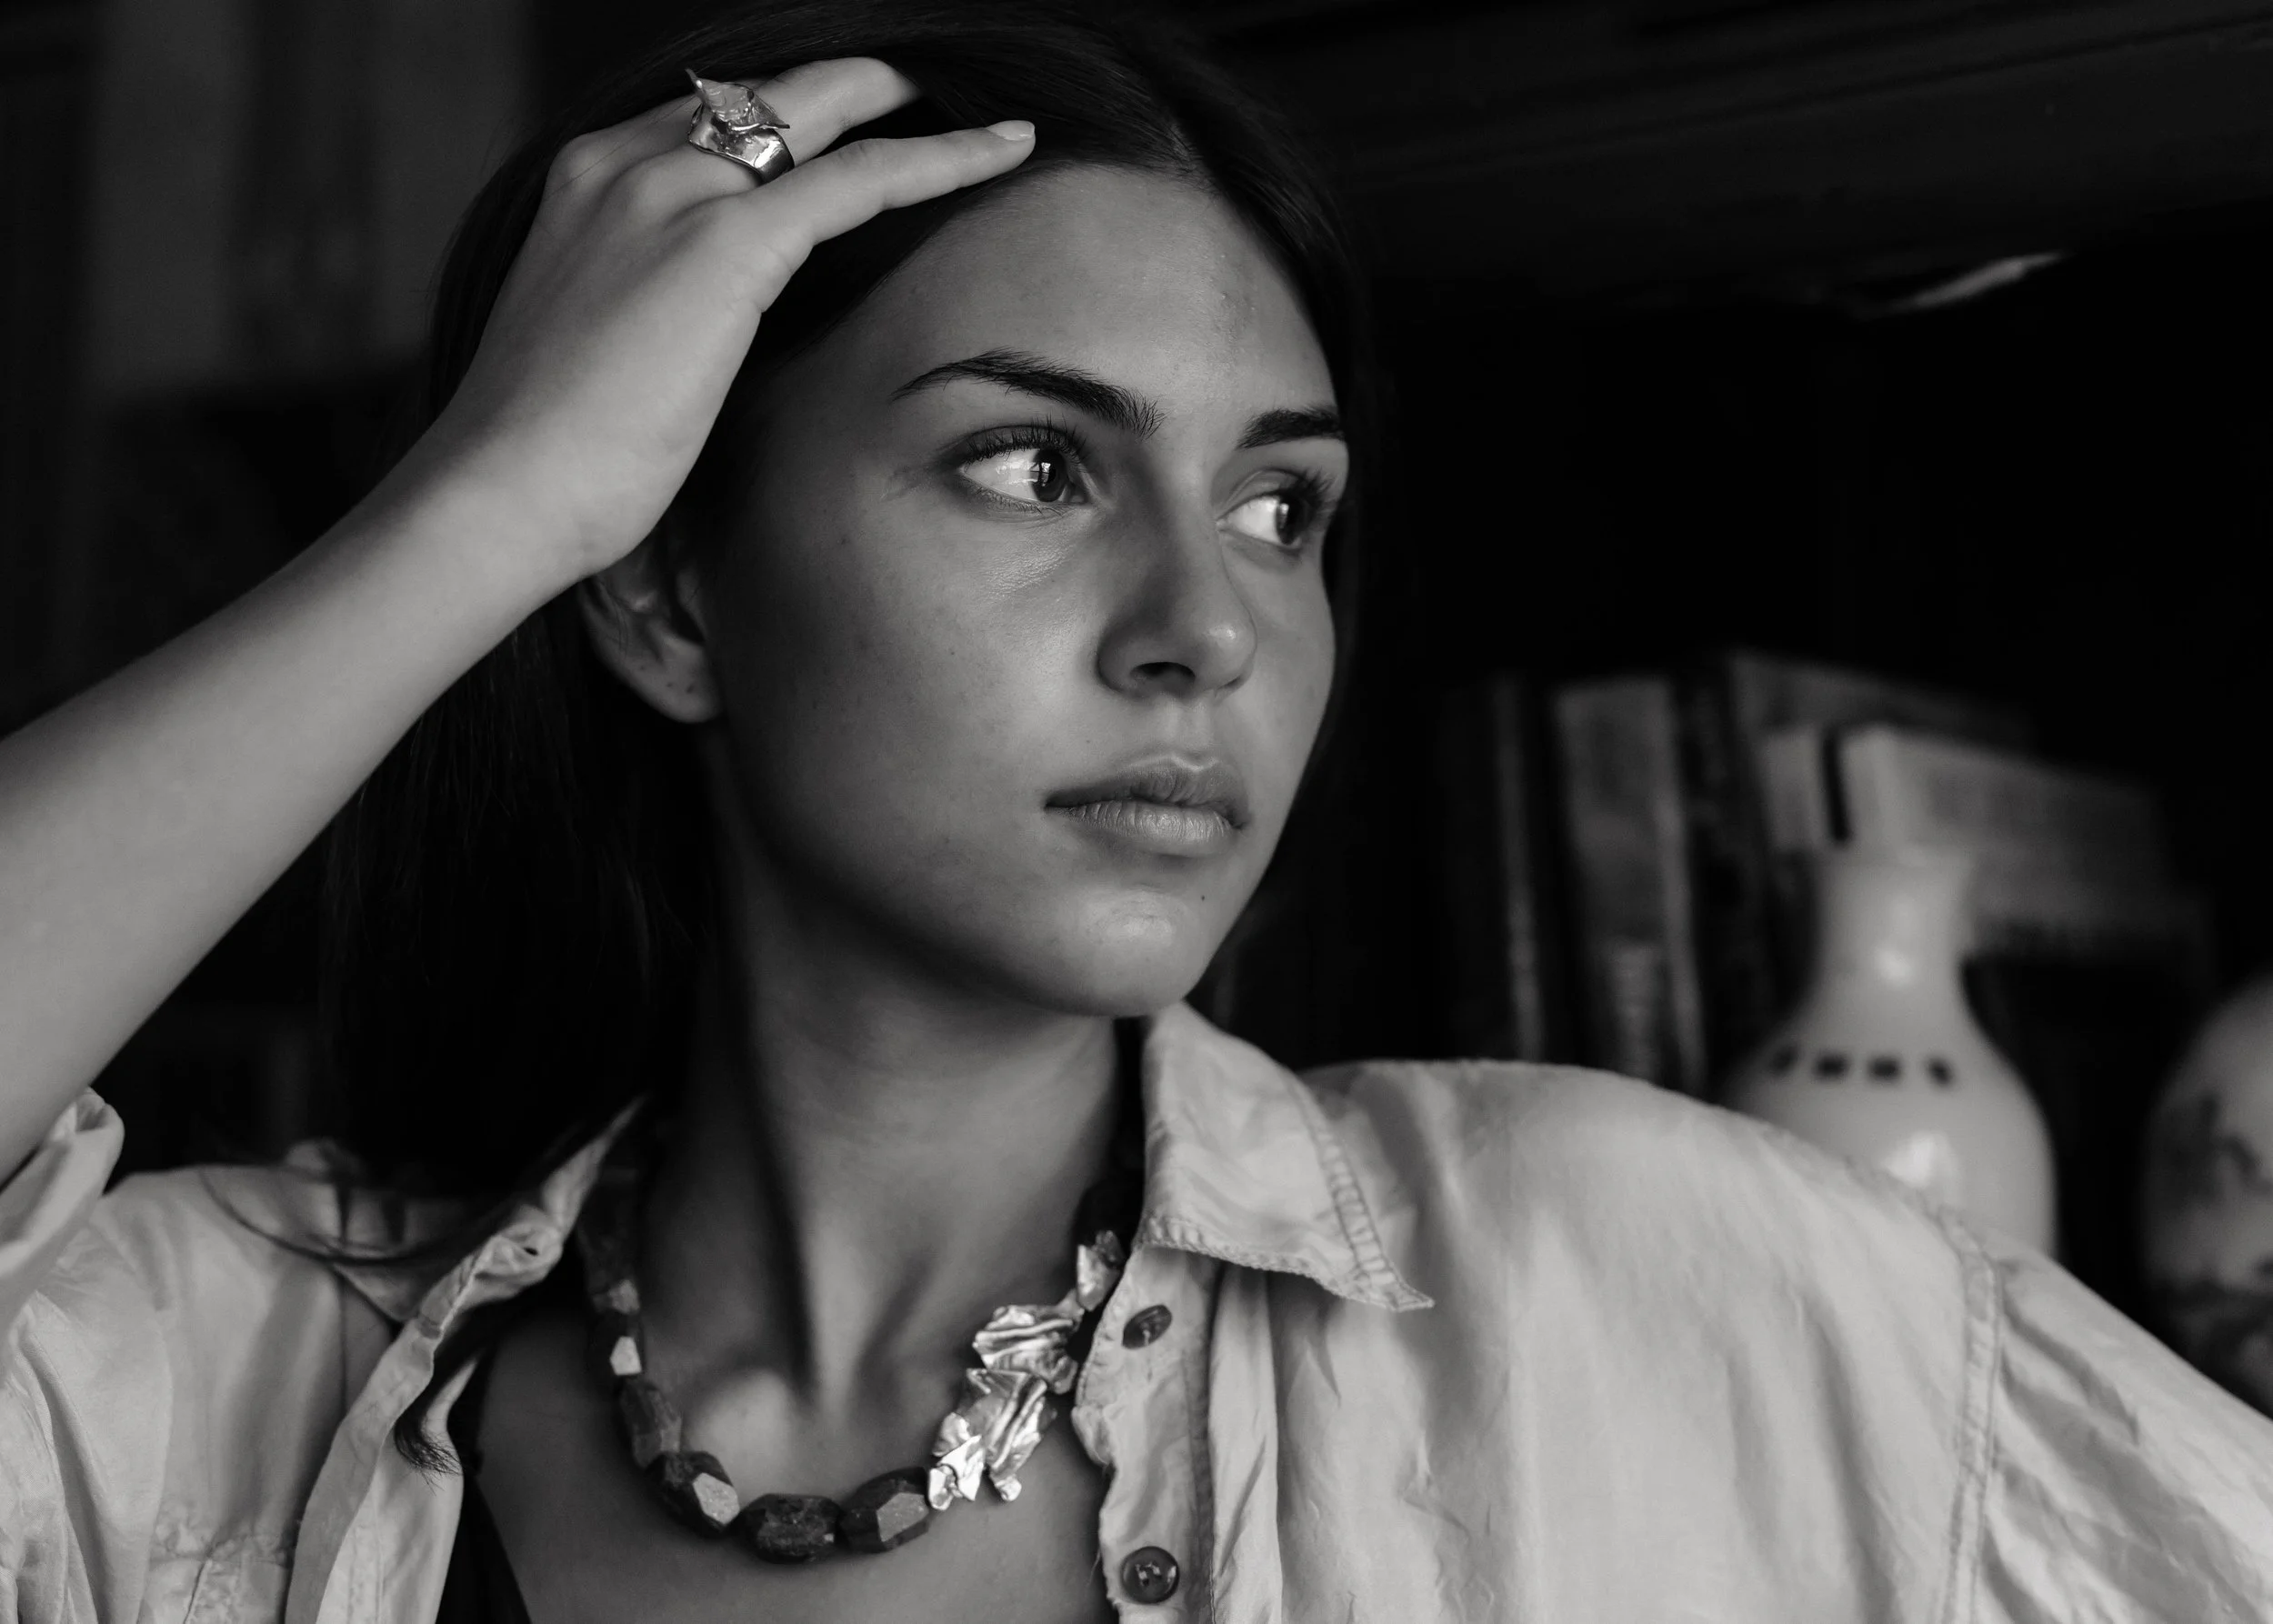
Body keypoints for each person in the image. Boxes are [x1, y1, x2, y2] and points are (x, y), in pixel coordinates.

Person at [4, 3, 2271, 1619]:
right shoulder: (217, 1384)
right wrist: (487, 511)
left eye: (1281, 508)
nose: (1206, 627)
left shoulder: (1639, 1280)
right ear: (670, 590)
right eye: (1034, 464)